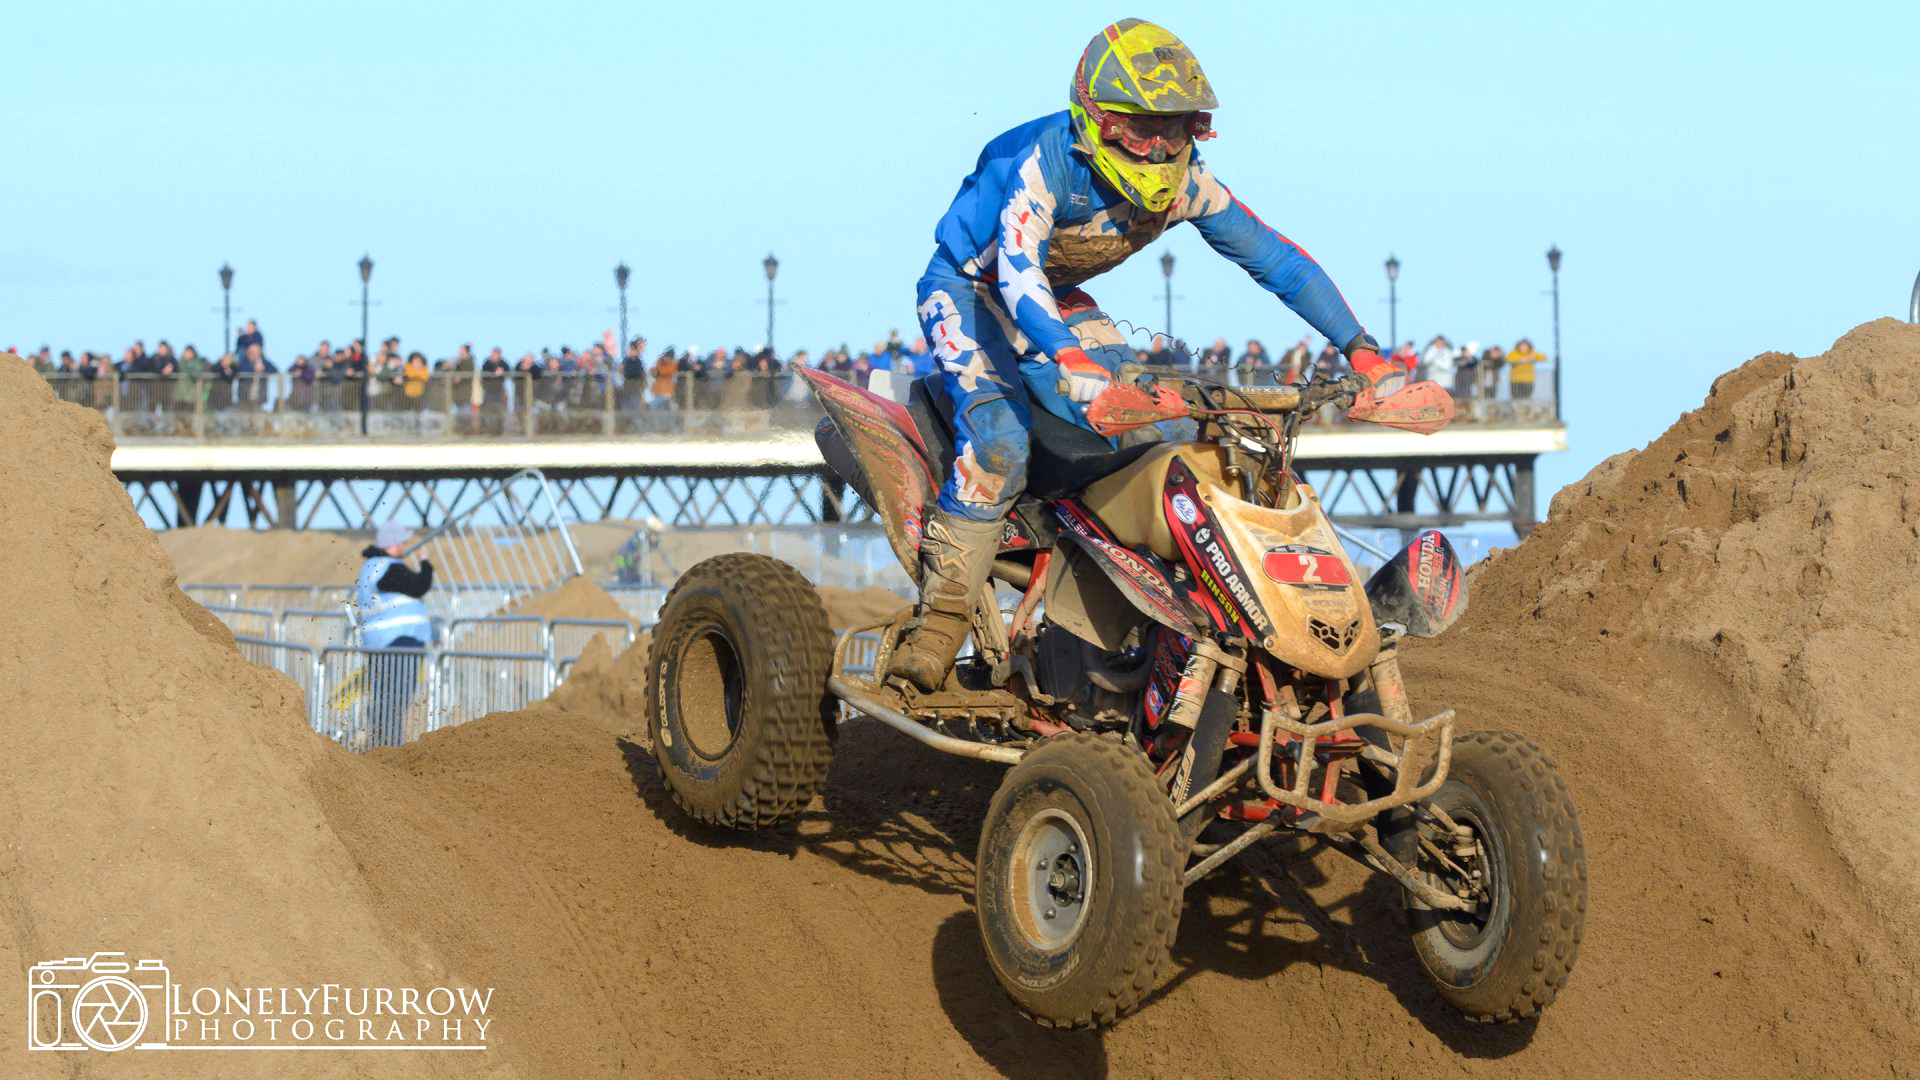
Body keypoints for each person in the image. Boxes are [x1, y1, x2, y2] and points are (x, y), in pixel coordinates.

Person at [890, 18, 1398, 691]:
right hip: (969, 290)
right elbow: (1016, 274)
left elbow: (1275, 258)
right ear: (1093, 120)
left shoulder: (1191, 183)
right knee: (1001, 441)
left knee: (1157, 431)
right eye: (1140, 130)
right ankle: (941, 620)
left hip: (1058, 296)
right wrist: (1069, 360)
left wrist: (1361, 349)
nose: (1160, 149)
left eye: (1179, 127)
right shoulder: (1045, 164)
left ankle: (1148, 621)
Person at [354, 522, 435, 746]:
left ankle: (378, 742)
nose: (404, 545)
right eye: (402, 541)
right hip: (400, 639)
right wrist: (426, 564)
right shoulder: (389, 567)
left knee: (384, 695)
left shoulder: (371, 567)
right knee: (396, 697)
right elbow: (419, 586)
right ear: (393, 543)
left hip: (378, 642)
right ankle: (389, 746)